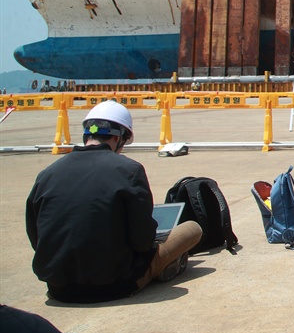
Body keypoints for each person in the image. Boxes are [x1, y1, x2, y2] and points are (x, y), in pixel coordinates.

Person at [25, 102, 203, 303]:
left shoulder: (47, 173)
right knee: (191, 229)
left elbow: (36, 235)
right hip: (115, 285)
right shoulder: (129, 170)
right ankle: (160, 269)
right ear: (120, 138)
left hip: (59, 288)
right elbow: (142, 241)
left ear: (86, 135)